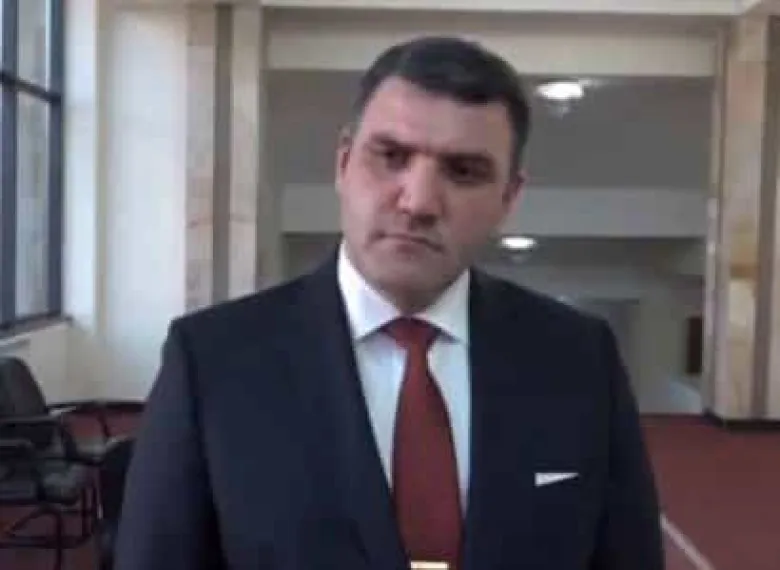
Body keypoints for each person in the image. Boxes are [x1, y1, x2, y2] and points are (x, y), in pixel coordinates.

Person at [115, 36, 663, 570]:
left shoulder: (580, 358)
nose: (419, 201)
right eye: (392, 156)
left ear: (509, 197)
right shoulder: (212, 361)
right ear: (343, 163)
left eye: (463, 171)